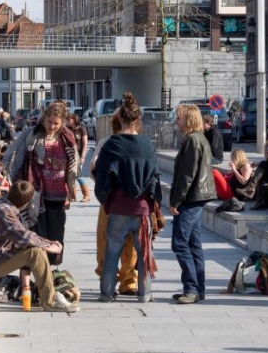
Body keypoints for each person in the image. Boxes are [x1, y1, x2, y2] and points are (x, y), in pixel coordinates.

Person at [0, 180, 78, 312]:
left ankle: (47, 297)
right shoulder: (5, 213)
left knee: (35, 249)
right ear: (26, 202)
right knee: (35, 253)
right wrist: (49, 247)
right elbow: (24, 238)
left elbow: (24, 234)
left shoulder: (0, 206)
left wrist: (48, 242)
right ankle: (50, 301)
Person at [92, 93, 162, 303]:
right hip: (142, 210)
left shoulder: (112, 144)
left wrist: (106, 196)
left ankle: (106, 294)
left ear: (119, 119)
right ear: (137, 120)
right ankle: (144, 294)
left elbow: (99, 172)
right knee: (144, 255)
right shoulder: (147, 145)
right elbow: (154, 176)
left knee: (112, 253)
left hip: (118, 208)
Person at [5, 101, 78, 265]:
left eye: (56, 123)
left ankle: (49, 276)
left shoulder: (67, 138)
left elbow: (73, 166)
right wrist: (11, 179)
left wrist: (71, 190)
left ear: (63, 122)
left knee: (57, 238)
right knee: (36, 238)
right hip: (36, 196)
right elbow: (12, 153)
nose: (52, 126)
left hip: (58, 197)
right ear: (44, 119)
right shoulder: (32, 134)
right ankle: (34, 282)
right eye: (49, 122)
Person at [168, 104, 217, 304]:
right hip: (198, 196)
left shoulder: (192, 141)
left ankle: (191, 288)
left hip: (192, 198)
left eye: (178, 118)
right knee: (193, 244)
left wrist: (175, 202)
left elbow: (186, 176)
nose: (176, 122)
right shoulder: (199, 139)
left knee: (179, 243)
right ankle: (198, 289)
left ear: (187, 120)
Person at [66, 113, 90, 202]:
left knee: (77, 175)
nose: (67, 121)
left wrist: (83, 156)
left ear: (74, 120)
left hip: (78, 156)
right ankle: (72, 196)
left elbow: (85, 144)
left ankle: (86, 194)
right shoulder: (67, 129)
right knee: (70, 176)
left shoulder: (82, 130)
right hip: (69, 155)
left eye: (69, 119)